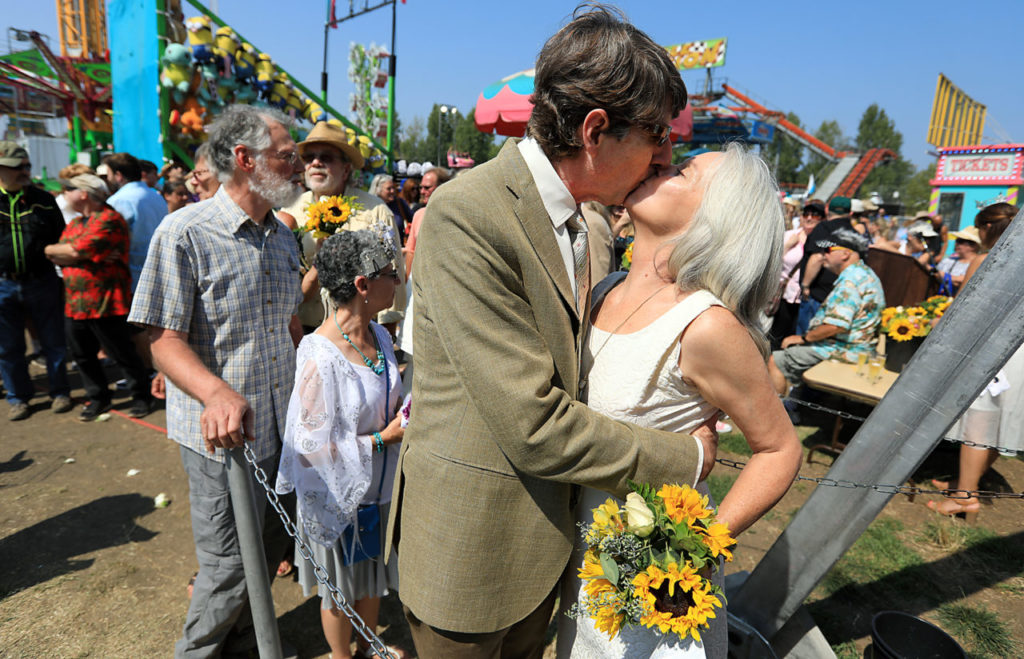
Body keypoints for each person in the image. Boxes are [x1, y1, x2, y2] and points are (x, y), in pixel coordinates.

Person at [390, 7, 715, 658]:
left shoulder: (580, 221)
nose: (666, 154)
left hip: (542, 553)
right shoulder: (468, 214)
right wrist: (691, 457)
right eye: (656, 133)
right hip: (471, 563)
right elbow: (533, 424)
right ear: (596, 129)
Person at [559, 145, 802, 658]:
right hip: (579, 565)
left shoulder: (706, 325)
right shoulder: (605, 289)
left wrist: (697, 548)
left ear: (717, 218)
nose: (659, 163)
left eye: (683, 171)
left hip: (650, 593)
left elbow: (780, 450)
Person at [127, 104, 305, 658]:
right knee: (230, 564)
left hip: (281, 432)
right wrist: (215, 391)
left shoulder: (281, 237)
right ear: (245, 159)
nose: (298, 164)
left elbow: (289, 326)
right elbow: (161, 338)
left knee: (272, 547)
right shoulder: (184, 232)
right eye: (286, 154)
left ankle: (245, 645)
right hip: (220, 443)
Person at [275, 229, 407, 659]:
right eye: (390, 274)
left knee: (371, 577)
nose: (398, 282)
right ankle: (341, 655)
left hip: (377, 491)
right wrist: (381, 439)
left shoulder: (381, 335)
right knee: (339, 589)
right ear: (362, 285)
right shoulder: (320, 356)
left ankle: (368, 647)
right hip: (338, 495)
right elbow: (308, 448)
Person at [928, 202, 1022, 520]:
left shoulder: (985, 259)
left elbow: (963, 311)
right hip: (1019, 352)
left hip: (993, 353)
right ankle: (965, 484)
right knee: (1002, 420)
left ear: (986, 230)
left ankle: (965, 498)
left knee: (979, 423)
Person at [277, 121, 406, 334]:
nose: (316, 163)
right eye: (309, 158)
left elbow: (391, 276)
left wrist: (387, 334)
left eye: (326, 157)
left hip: (358, 332)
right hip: (304, 329)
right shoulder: (291, 209)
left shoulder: (374, 210)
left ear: (346, 169)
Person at [44, 174, 153, 420]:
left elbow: (74, 250)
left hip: (106, 302)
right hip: (76, 303)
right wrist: (55, 251)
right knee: (82, 355)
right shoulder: (76, 224)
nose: (64, 194)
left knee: (122, 352)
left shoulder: (110, 220)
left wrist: (69, 253)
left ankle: (141, 396)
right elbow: (54, 253)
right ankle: (98, 398)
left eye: (68, 189)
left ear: (83, 193)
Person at [0, 141, 72, 420]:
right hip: (3, 284)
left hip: (42, 281)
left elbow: (61, 238)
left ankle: (60, 392)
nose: (24, 171)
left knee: (53, 341)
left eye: (26, 165)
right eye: (17, 167)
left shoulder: (44, 200)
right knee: (8, 346)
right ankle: (18, 398)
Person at [769, 227, 885, 394]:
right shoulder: (865, 274)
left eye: (829, 250)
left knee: (777, 361)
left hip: (846, 351)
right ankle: (796, 406)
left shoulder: (850, 281)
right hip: (858, 349)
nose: (824, 254)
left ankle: (775, 415)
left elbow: (836, 326)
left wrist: (804, 338)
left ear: (845, 254)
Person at [103, 152, 169, 291]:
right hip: (160, 269)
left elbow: (112, 237)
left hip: (135, 275)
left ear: (118, 175)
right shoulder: (155, 195)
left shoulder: (119, 200)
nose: (108, 178)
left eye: (108, 173)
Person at [768, 199, 823, 348]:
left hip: (806, 300)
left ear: (823, 219)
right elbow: (772, 262)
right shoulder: (790, 236)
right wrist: (787, 246)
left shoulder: (823, 243)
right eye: (806, 214)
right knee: (776, 337)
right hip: (784, 296)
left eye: (815, 215)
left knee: (796, 340)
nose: (809, 218)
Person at [795, 196, 852, 335]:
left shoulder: (824, 228)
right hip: (841, 297)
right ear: (850, 213)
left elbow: (818, 257)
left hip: (817, 296)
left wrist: (806, 285)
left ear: (827, 210)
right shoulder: (855, 234)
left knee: (805, 339)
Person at [402, 166, 450, 276]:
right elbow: (410, 251)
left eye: (427, 188)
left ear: (441, 187)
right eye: (421, 187)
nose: (422, 192)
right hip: (421, 279)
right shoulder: (419, 215)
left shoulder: (453, 214)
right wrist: (409, 284)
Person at [935, 226, 981, 294]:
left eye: (960, 241)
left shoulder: (980, 262)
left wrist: (944, 276)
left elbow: (967, 282)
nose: (956, 244)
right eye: (957, 241)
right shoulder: (948, 261)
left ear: (973, 245)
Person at [370, 174, 411, 241]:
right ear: (378, 190)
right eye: (389, 189)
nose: (392, 191)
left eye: (393, 188)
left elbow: (412, 220)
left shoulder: (399, 203)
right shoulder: (371, 207)